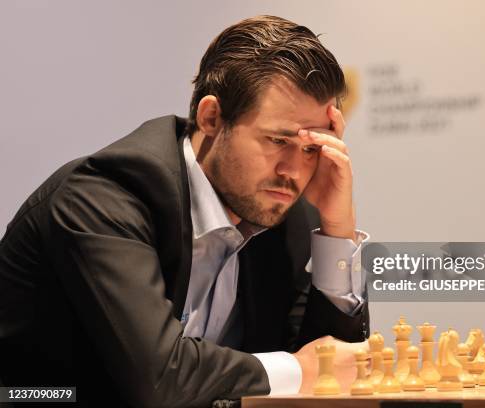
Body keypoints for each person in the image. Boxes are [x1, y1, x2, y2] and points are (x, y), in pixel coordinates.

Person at [0, 15, 369, 407]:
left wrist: (336, 233)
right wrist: (300, 370)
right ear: (212, 118)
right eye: (277, 140)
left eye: (312, 148)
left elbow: (336, 371)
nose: (293, 171)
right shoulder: (102, 199)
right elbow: (157, 379)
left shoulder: (284, 211)